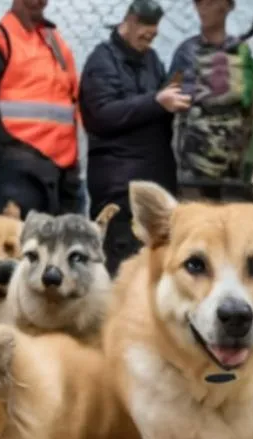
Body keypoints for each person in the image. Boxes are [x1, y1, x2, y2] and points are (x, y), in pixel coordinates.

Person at [80, 0, 189, 275]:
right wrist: (155, 102)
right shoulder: (101, 60)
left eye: (153, 33)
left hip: (156, 181)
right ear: (129, 22)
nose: (149, 38)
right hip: (119, 185)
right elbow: (101, 115)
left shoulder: (151, 60)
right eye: (144, 31)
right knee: (123, 265)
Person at [0, 0, 81, 218]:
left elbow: (71, 98)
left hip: (61, 169)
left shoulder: (54, 42)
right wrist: (9, 146)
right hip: (19, 169)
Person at [168, 0, 253, 200]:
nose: (203, 9)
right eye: (199, 3)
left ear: (227, 6)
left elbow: (251, 104)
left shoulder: (241, 52)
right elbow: (172, 100)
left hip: (235, 163)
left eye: (210, 2)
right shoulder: (187, 51)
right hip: (195, 163)